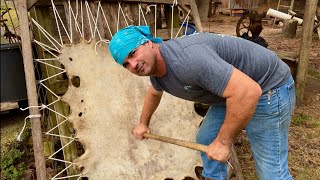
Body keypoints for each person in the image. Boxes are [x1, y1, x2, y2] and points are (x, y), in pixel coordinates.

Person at [109, 26, 296, 180]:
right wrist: (143, 123)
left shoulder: (187, 60)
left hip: (268, 87)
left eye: (133, 53)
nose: (133, 65)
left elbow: (248, 92)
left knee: (271, 170)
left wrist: (223, 143)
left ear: (149, 43)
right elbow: (154, 93)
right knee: (206, 138)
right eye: (126, 64)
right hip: (233, 92)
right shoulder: (158, 72)